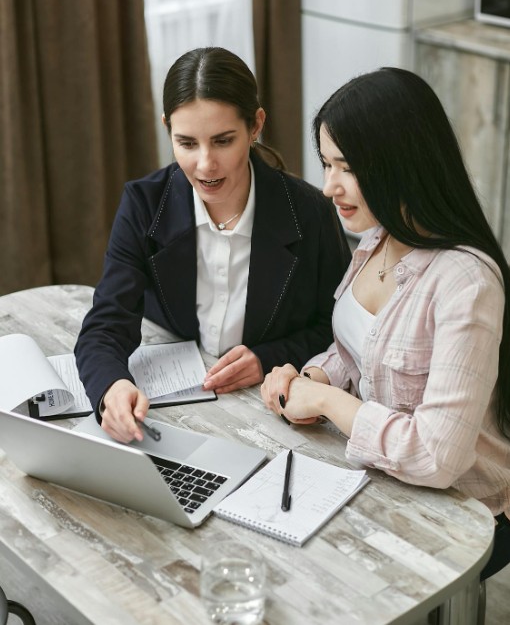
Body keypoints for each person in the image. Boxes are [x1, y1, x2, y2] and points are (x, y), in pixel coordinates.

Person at [261, 67, 510, 580]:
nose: (330, 187)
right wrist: (311, 379)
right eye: (327, 164)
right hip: (382, 479)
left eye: (347, 168)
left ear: (401, 163)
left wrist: (331, 403)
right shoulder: (376, 239)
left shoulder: (465, 282)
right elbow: (358, 351)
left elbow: (437, 458)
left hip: (465, 514)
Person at [75, 47, 351, 445]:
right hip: (179, 417)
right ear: (167, 127)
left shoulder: (309, 212)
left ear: (256, 125)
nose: (205, 165)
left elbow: (336, 329)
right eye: (186, 143)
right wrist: (111, 389)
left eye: (223, 141)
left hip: (276, 420)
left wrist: (267, 357)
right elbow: (105, 324)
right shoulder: (143, 205)